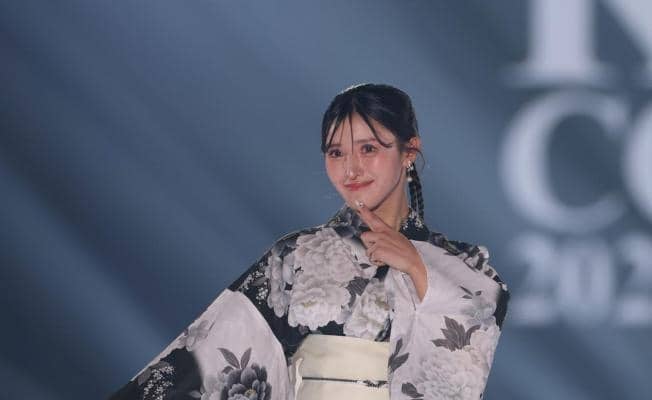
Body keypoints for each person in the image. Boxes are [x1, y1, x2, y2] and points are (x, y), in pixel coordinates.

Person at [108, 83, 510, 400]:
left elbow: (483, 320)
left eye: (369, 148)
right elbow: (206, 363)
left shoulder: (463, 262)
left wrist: (419, 269)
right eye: (336, 153)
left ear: (409, 151)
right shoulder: (296, 256)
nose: (351, 168)